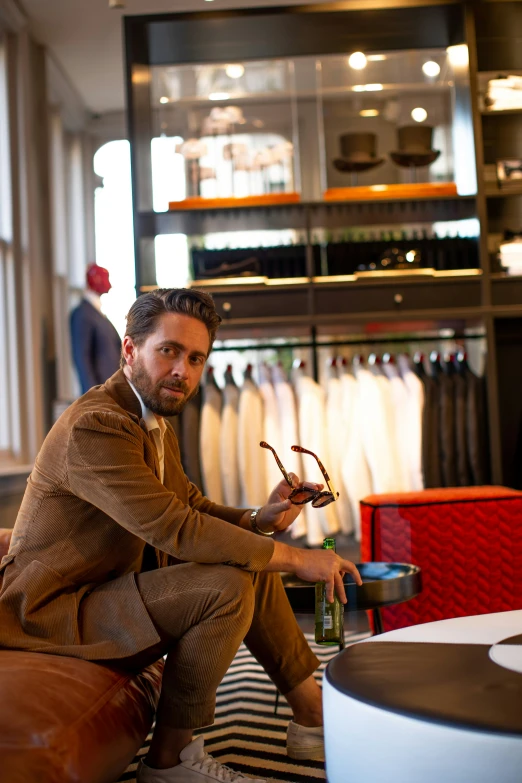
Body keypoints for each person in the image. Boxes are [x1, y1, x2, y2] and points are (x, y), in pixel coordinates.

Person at [0, 288, 361, 783]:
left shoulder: (149, 416)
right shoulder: (98, 425)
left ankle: (312, 716)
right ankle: (170, 763)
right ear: (130, 351)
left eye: (195, 358)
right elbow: (175, 528)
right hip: (51, 611)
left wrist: (261, 518)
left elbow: (189, 505)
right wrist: (297, 558)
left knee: (246, 560)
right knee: (228, 584)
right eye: (168, 351)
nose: (182, 371)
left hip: (105, 589)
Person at [70, 262, 122, 394]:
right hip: (101, 391)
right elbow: (82, 358)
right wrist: (93, 395)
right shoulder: (83, 314)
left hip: (111, 388)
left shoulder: (96, 313)